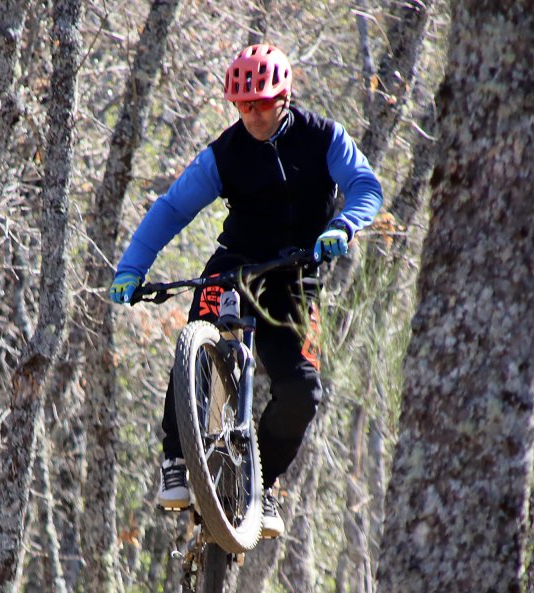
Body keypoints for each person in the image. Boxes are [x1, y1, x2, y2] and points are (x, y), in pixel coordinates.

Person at [108, 43, 382, 539]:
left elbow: (365, 186)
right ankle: (176, 457)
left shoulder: (323, 138)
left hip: (298, 274)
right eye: (242, 105)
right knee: (195, 338)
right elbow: (172, 209)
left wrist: (343, 225)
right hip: (236, 266)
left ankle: (264, 483)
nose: (251, 114)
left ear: (285, 96)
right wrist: (133, 267)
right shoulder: (226, 152)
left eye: (261, 103)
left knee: (302, 389)